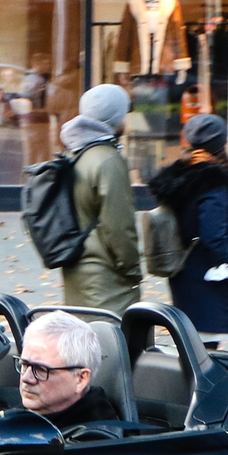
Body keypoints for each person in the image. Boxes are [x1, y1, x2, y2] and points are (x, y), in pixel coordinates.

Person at [148, 112, 228, 347]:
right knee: (204, 355)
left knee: (191, 347)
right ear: (221, 145)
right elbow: (213, 234)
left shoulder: (183, 178)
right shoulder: (213, 185)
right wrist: (226, 264)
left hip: (186, 275)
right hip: (207, 280)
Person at [59, 84, 140, 313]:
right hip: (107, 278)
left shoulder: (74, 153)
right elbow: (119, 226)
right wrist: (132, 269)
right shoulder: (108, 160)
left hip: (77, 269)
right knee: (112, 345)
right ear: (116, 118)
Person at [16, 309, 120, 429]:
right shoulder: (19, 418)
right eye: (24, 364)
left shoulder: (91, 440)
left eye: (41, 370)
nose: (26, 378)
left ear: (81, 379)